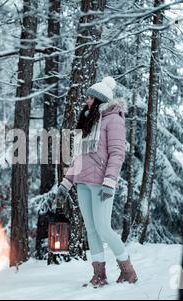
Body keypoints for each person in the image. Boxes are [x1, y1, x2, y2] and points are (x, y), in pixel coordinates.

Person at [56, 76, 138, 288]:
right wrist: (66, 183)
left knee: (104, 228)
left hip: (102, 183)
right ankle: (99, 274)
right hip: (83, 182)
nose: (87, 101)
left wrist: (110, 181)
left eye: (91, 98)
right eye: (88, 97)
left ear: (101, 100)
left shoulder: (114, 119)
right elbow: (79, 158)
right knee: (91, 229)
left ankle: (127, 270)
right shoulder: (88, 122)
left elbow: (117, 153)